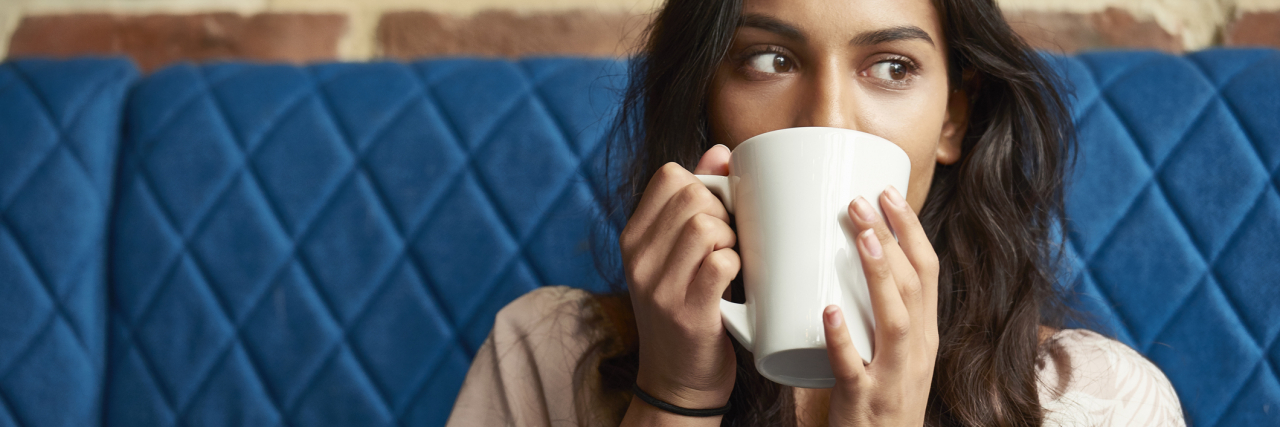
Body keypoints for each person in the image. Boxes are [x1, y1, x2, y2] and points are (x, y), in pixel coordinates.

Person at [447, 0, 1186, 425]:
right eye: (769, 59)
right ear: (705, 100)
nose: (828, 117)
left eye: (892, 67)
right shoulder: (548, 359)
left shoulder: (1096, 403)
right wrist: (673, 396)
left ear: (954, 121)